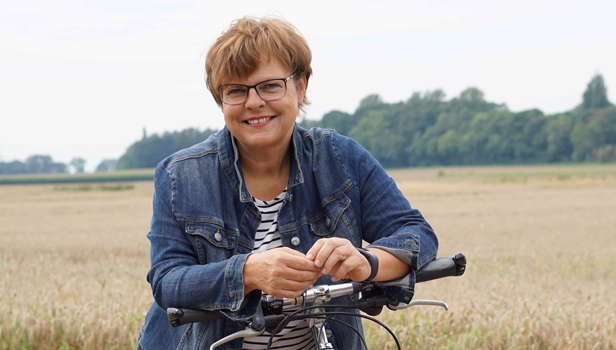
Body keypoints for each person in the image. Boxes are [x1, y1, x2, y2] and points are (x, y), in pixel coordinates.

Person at [137, 16, 438, 350]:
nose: (254, 102)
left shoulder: (341, 159)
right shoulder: (180, 176)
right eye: (236, 90)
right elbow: (167, 281)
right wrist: (247, 272)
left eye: (270, 86)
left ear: (301, 86)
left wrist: (367, 262)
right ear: (220, 100)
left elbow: (418, 236)